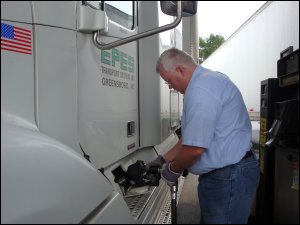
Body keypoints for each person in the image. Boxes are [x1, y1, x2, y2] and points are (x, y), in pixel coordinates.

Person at [148, 47, 260, 224]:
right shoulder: (208, 81)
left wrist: (173, 169)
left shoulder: (200, 90)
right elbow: (190, 139)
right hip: (227, 174)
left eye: (169, 81)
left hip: (228, 177)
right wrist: (162, 159)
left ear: (180, 70)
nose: (171, 87)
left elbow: (194, 150)